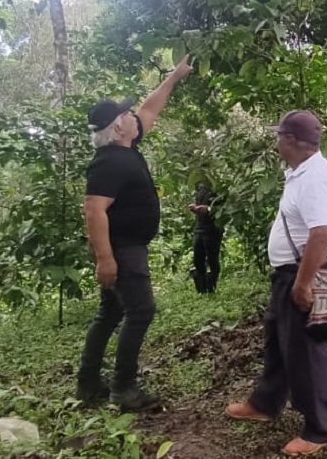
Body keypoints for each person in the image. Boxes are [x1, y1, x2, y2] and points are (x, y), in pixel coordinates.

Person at [77, 55, 193, 411]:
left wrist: (175, 76)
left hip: (128, 247)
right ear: (117, 128)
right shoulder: (109, 161)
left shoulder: (125, 148)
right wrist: (105, 259)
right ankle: (123, 388)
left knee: (110, 314)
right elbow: (94, 210)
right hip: (123, 250)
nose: (133, 117)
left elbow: (150, 109)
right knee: (140, 311)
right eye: (125, 116)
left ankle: (88, 382)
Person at [226, 110, 327, 457]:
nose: (276, 141)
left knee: (306, 352)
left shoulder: (313, 178)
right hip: (288, 274)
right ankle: (266, 402)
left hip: (303, 274)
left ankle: (321, 428)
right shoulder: (299, 171)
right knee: (278, 341)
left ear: (291, 140)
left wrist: (303, 284)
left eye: (279, 136)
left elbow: (322, 234)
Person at [188, 181, 223, 294]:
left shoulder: (218, 186)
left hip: (213, 229)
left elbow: (223, 208)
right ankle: (202, 290)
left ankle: (211, 288)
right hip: (199, 228)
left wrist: (208, 209)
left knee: (212, 259)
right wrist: (196, 209)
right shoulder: (199, 187)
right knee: (198, 259)